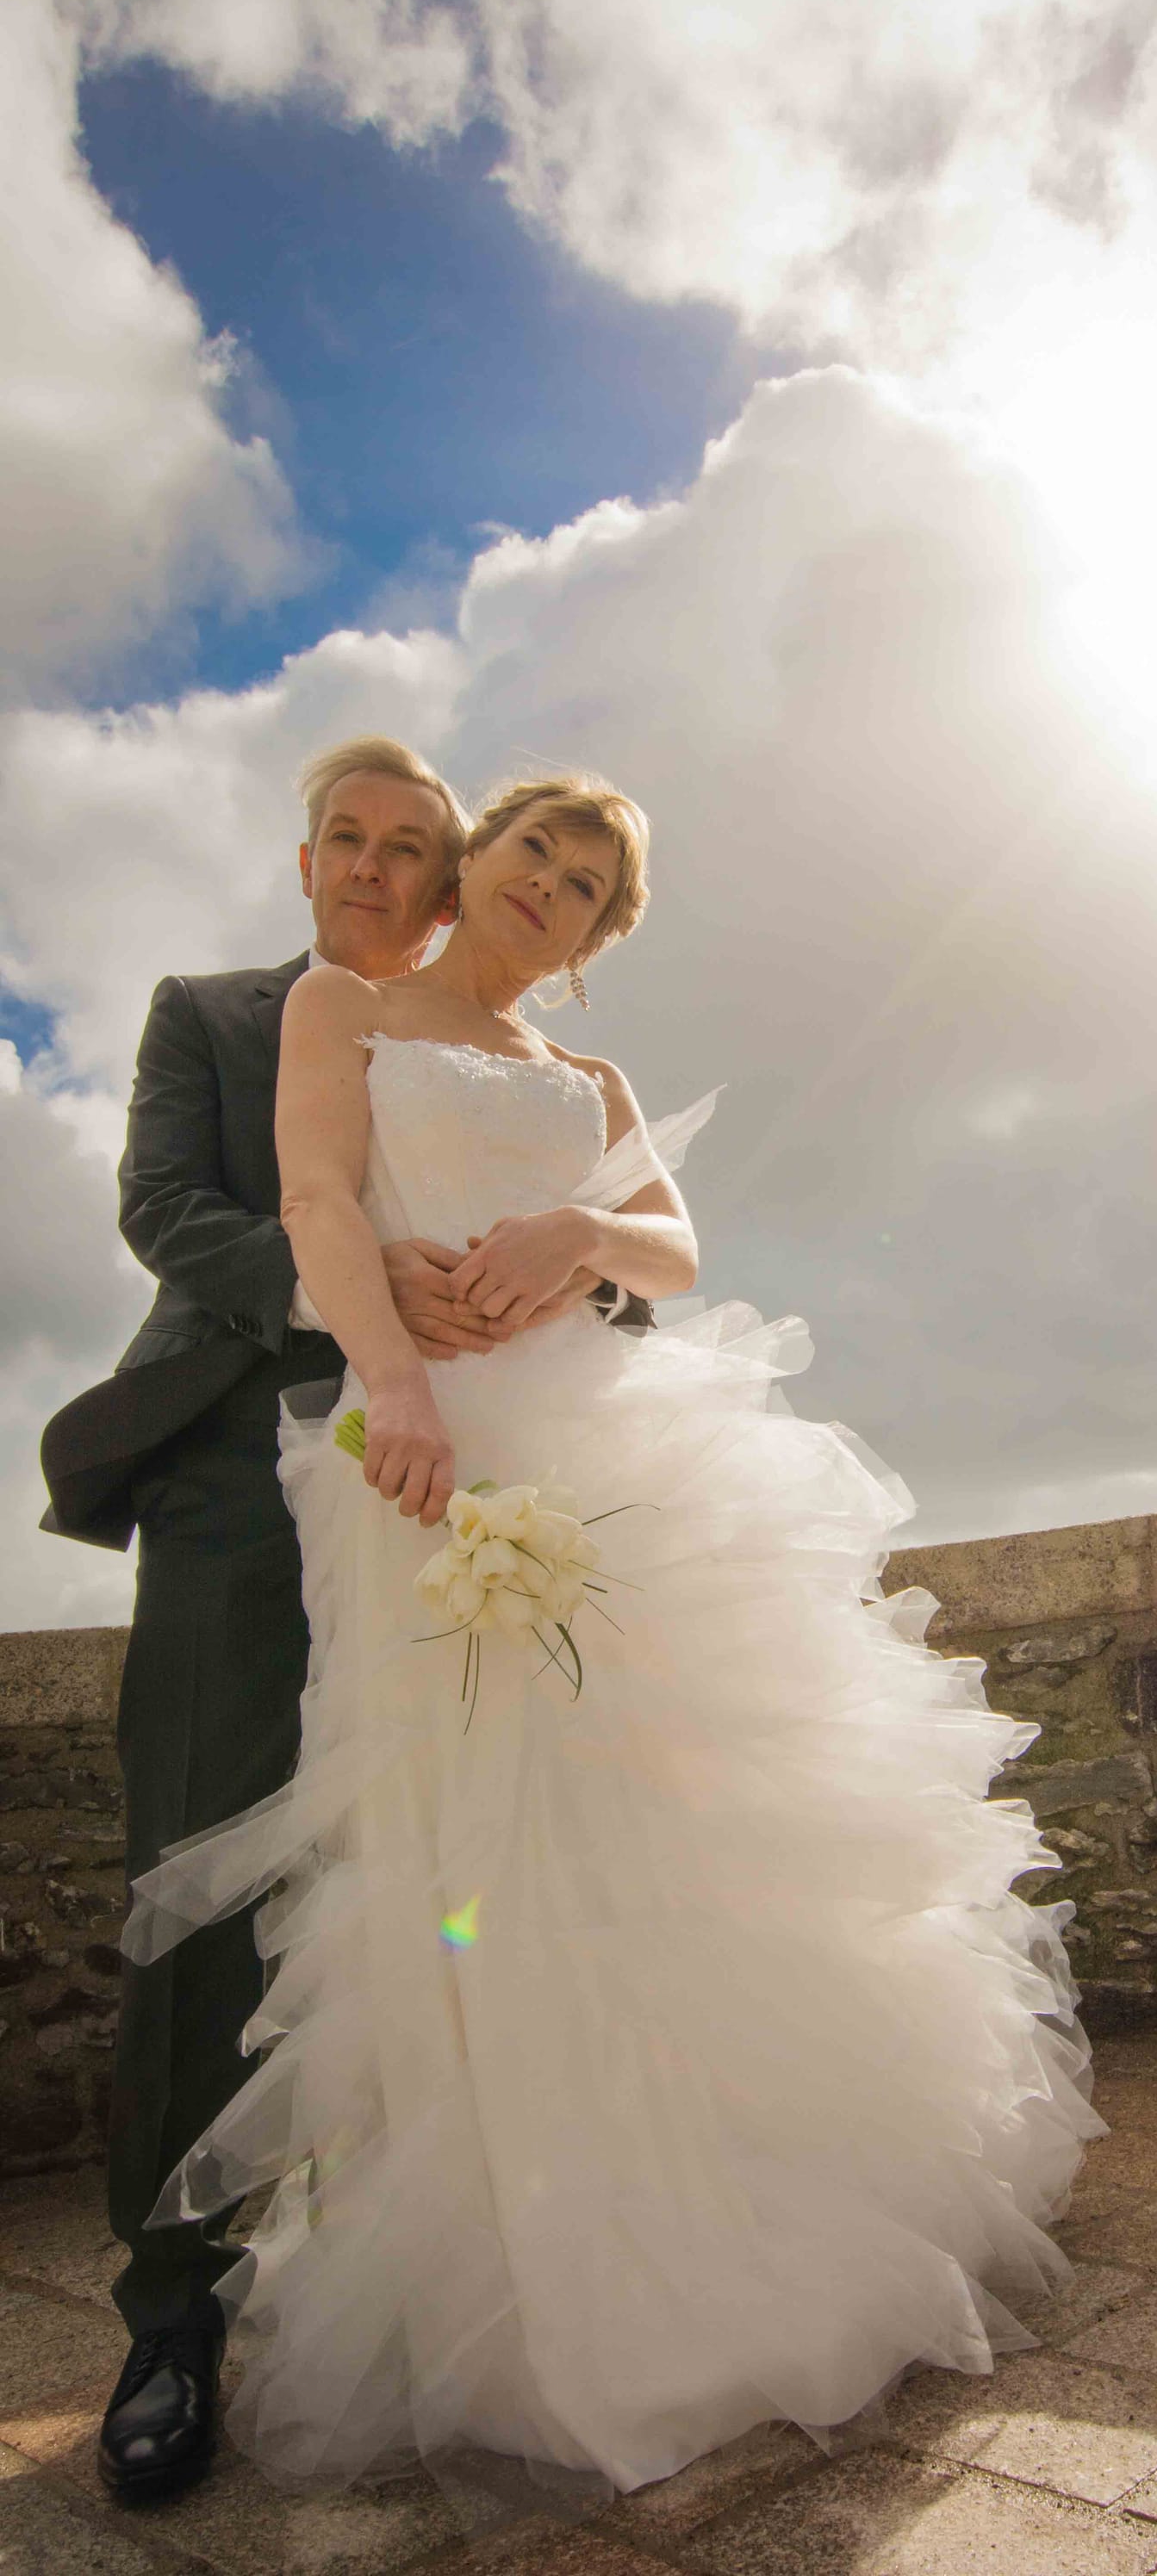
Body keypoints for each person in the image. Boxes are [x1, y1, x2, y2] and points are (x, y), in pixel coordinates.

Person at [120, 769, 1102, 2513]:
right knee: (468, 1838)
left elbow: (672, 1237)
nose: (545, 890)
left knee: (665, 1821)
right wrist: (400, 1385)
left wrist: (584, 1230)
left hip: (618, 1458)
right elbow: (321, 1205)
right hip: (422, 1464)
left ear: (588, 938)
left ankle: (715, 2229)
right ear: (472, 863)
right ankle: (470, 2279)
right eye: (531, 855)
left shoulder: (593, 1081)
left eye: (582, 890)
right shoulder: (333, 1011)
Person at [38, 737, 638, 2509]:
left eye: (410, 849)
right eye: (346, 844)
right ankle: (174, 2326)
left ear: (454, 877)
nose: (376, 871)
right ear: (305, 863)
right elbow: (169, 1213)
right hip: (241, 1488)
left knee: (505, 1873)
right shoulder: (216, 1016)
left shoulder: (518, 1047)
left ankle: (492, 2275)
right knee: (205, 1884)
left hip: (481, 1494)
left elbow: (604, 1262)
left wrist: (563, 1272)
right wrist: (370, 1311)